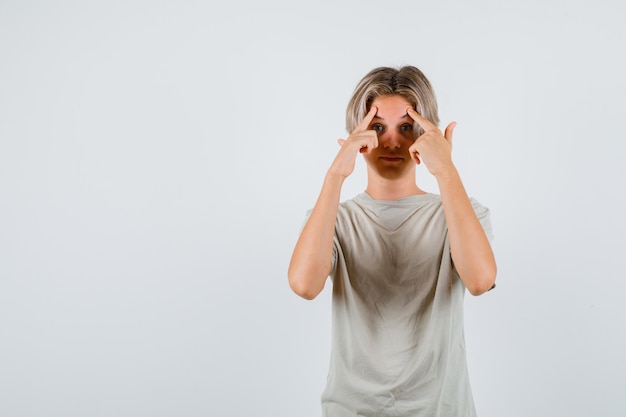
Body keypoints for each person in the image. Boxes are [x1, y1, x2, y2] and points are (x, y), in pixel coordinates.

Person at [288, 65, 497, 417]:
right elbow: (304, 285)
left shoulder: (462, 213)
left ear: (425, 132)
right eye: (376, 127)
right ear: (355, 135)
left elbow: (480, 281)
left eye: (406, 127)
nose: (391, 142)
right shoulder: (333, 218)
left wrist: (445, 169)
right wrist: (335, 174)